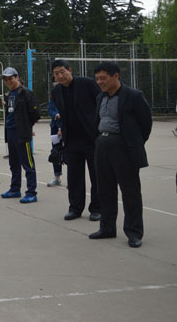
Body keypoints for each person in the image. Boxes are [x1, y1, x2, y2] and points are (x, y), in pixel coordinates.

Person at [90, 62, 152, 248]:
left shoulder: (133, 96)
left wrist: (133, 144)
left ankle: (134, 232)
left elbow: (145, 124)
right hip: (102, 146)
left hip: (123, 148)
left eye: (103, 78)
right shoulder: (100, 97)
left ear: (116, 76)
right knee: (105, 190)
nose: (100, 82)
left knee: (130, 192)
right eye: (97, 79)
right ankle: (107, 228)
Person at [51, 60, 101, 221]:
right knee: (74, 177)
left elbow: (101, 104)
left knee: (97, 176)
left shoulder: (87, 84)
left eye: (62, 71)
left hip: (92, 138)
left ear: (70, 70)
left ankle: (97, 209)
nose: (60, 76)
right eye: (56, 73)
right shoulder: (56, 91)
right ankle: (75, 208)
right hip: (71, 140)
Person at [0, 67, 40, 204]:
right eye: (6, 79)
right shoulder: (9, 94)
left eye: (10, 78)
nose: (8, 81)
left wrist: (27, 126)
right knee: (14, 163)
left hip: (22, 133)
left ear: (17, 77)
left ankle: (31, 192)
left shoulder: (26, 93)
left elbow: (35, 113)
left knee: (27, 163)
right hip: (10, 132)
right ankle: (15, 189)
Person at [46, 89, 63, 187]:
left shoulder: (68, 94)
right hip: (54, 127)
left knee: (70, 153)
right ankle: (57, 177)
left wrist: (61, 128)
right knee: (55, 152)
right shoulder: (53, 97)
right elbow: (50, 110)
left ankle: (73, 178)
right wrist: (56, 115)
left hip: (67, 127)